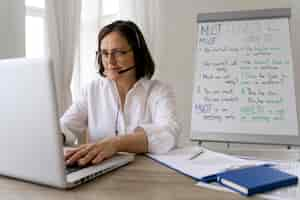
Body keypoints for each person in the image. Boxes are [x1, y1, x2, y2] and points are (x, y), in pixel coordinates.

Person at [62, 20, 180, 167]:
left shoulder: (159, 91)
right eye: (105, 53)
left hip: (146, 177)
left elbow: (168, 133)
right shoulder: (91, 90)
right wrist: (57, 136)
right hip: (99, 175)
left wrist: (115, 144)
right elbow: (65, 126)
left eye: (118, 53)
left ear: (137, 54)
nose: (110, 61)